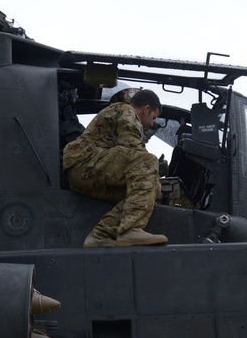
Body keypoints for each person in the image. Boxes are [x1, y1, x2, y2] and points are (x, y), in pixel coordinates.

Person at [62, 89, 168, 248]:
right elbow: (132, 146)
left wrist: (151, 183)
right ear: (146, 109)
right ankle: (131, 229)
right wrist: (153, 175)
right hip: (83, 162)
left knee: (142, 191)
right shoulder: (126, 110)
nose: (152, 124)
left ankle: (101, 235)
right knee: (148, 161)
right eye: (153, 117)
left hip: (86, 170)